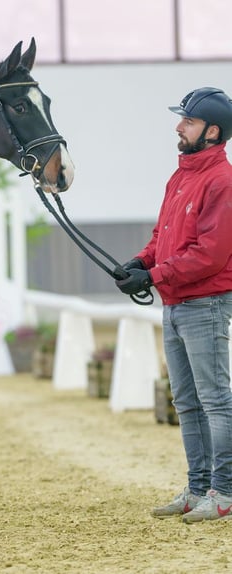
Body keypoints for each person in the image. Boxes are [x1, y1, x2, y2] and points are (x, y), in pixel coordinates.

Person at [116, 87, 232, 523]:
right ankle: (198, 487)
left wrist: (155, 276)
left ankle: (224, 491)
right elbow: (164, 236)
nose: (178, 127)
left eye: (187, 121)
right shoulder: (181, 176)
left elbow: (211, 254)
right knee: (186, 401)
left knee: (215, 400)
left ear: (211, 132)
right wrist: (140, 262)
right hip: (178, 304)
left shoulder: (222, 181)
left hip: (205, 304)